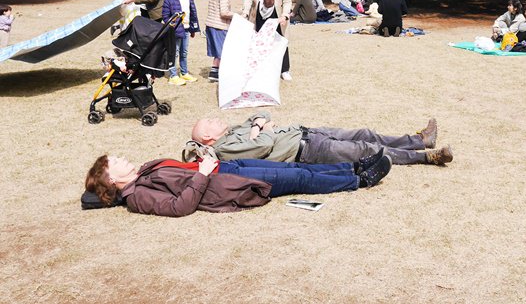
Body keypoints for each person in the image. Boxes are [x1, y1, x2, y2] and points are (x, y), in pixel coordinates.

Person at [83, 152, 392, 217]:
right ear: (112, 179)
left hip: (226, 166)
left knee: (295, 166)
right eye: (117, 162)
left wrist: (203, 159)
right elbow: (179, 207)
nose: (124, 158)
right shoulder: (138, 196)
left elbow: (182, 170)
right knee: (300, 179)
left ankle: (351, 166)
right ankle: (358, 181)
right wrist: (203, 173)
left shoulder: (144, 170)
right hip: (227, 181)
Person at [189, 115, 453, 166]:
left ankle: (420, 140)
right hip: (307, 150)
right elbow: (262, 146)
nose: (214, 119)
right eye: (209, 123)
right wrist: (263, 129)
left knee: (365, 133)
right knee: (366, 149)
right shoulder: (225, 149)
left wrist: (259, 124)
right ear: (208, 138)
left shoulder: (234, 130)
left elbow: (261, 116)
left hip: (308, 132)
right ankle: (427, 156)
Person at [241, 0, 293, 81]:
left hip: (277, 16)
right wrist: (245, 13)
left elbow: (287, 1)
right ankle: (260, 68)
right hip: (259, 16)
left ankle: (284, 69)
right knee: (259, 41)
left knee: (280, 41)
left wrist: (285, 15)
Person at [162, 0, 200, 86]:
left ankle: (184, 72)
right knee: (175, 53)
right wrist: (172, 24)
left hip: (187, 30)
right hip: (175, 31)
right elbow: (165, 16)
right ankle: (173, 75)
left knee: (184, 52)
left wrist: (193, 29)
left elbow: (193, 13)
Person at [206, 0, 234, 83]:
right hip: (219, 26)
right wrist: (236, 15)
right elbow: (224, 13)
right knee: (223, 52)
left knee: (218, 52)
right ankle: (222, 73)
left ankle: (214, 73)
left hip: (211, 25)